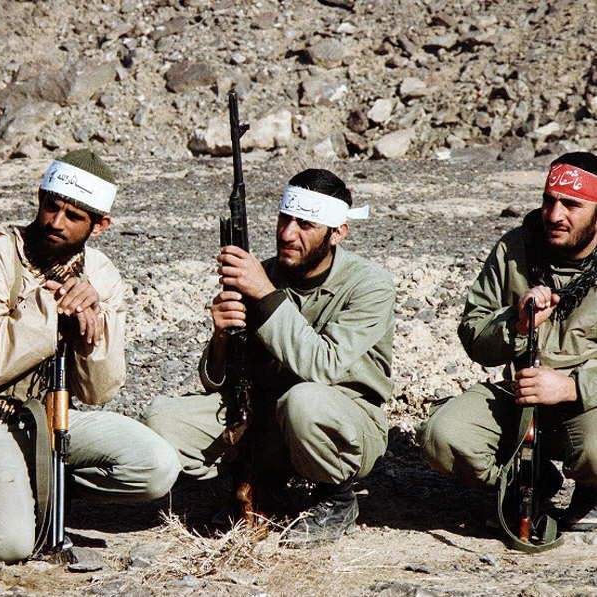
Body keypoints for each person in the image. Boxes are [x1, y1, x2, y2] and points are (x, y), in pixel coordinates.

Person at [0, 149, 180, 563]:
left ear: (100, 225)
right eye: (51, 207)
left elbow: (99, 392)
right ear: (39, 198)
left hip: (54, 415)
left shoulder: (101, 274)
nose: (56, 222)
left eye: (74, 216)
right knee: (8, 545)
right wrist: (50, 309)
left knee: (157, 465)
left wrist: (92, 329)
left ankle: (35, 485)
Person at [144, 168, 395, 547]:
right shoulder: (262, 274)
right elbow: (215, 380)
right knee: (162, 420)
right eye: (284, 219)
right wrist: (221, 337)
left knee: (304, 401)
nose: (287, 234)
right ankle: (257, 484)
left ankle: (336, 497)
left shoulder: (370, 285)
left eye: (305, 225)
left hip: (341, 419)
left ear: (337, 232)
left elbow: (322, 365)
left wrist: (265, 296)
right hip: (263, 414)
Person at [421, 152, 597, 531]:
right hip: (521, 399)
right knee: (443, 436)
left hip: (588, 405)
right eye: (549, 200)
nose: (554, 215)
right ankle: (529, 480)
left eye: (571, 205)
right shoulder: (515, 249)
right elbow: (473, 336)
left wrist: (572, 387)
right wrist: (515, 325)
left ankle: (591, 488)